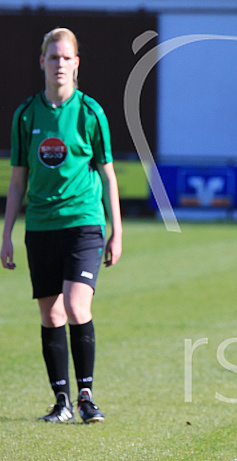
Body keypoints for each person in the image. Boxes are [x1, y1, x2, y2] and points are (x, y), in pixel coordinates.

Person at [0, 27, 122, 423]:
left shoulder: (90, 112)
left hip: (84, 222)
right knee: (50, 314)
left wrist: (115, 229)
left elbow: (107, 174)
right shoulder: (26, 114)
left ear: (76, 64)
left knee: (74, 304)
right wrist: (7, 234)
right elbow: (18, 179)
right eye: (53, 57)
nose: (60, 64)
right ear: (42, 62)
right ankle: (62, 402)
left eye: (66, 57)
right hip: (40, 226)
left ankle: (86, 396)